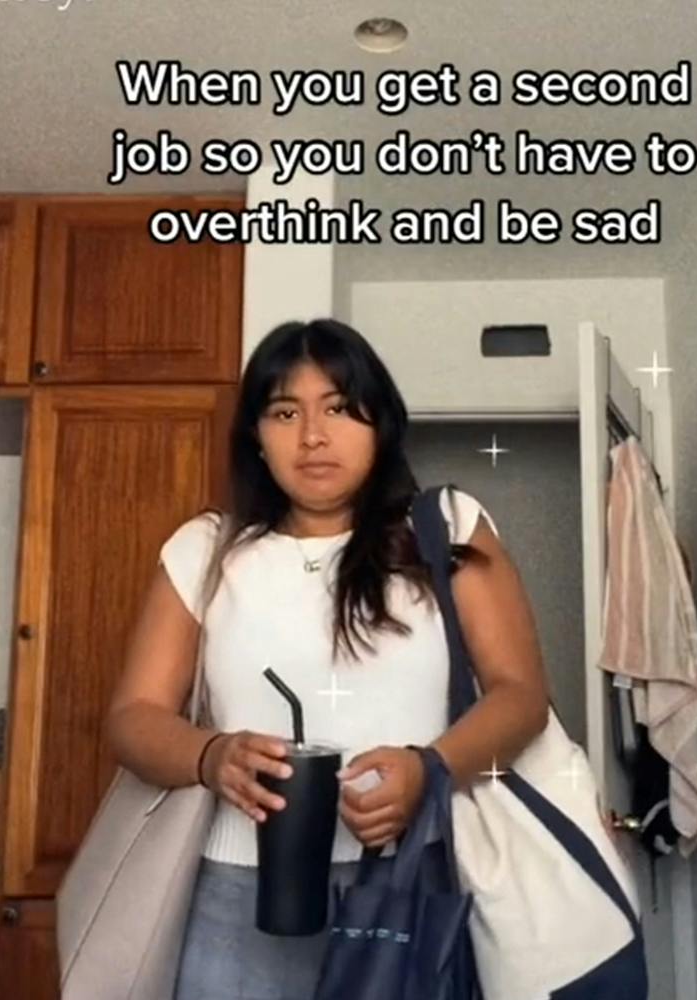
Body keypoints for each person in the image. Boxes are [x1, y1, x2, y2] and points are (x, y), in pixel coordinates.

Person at [102, 318, 554, 999]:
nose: (313, 436)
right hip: (234, 898)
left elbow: (520, 694)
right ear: (256, 434)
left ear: (380, 424)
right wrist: (212, 756)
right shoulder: (205, 550)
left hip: (406, 884)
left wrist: (428, 770)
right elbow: (133, 717)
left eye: (339, 408)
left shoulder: (445, 528)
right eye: (285, 412)